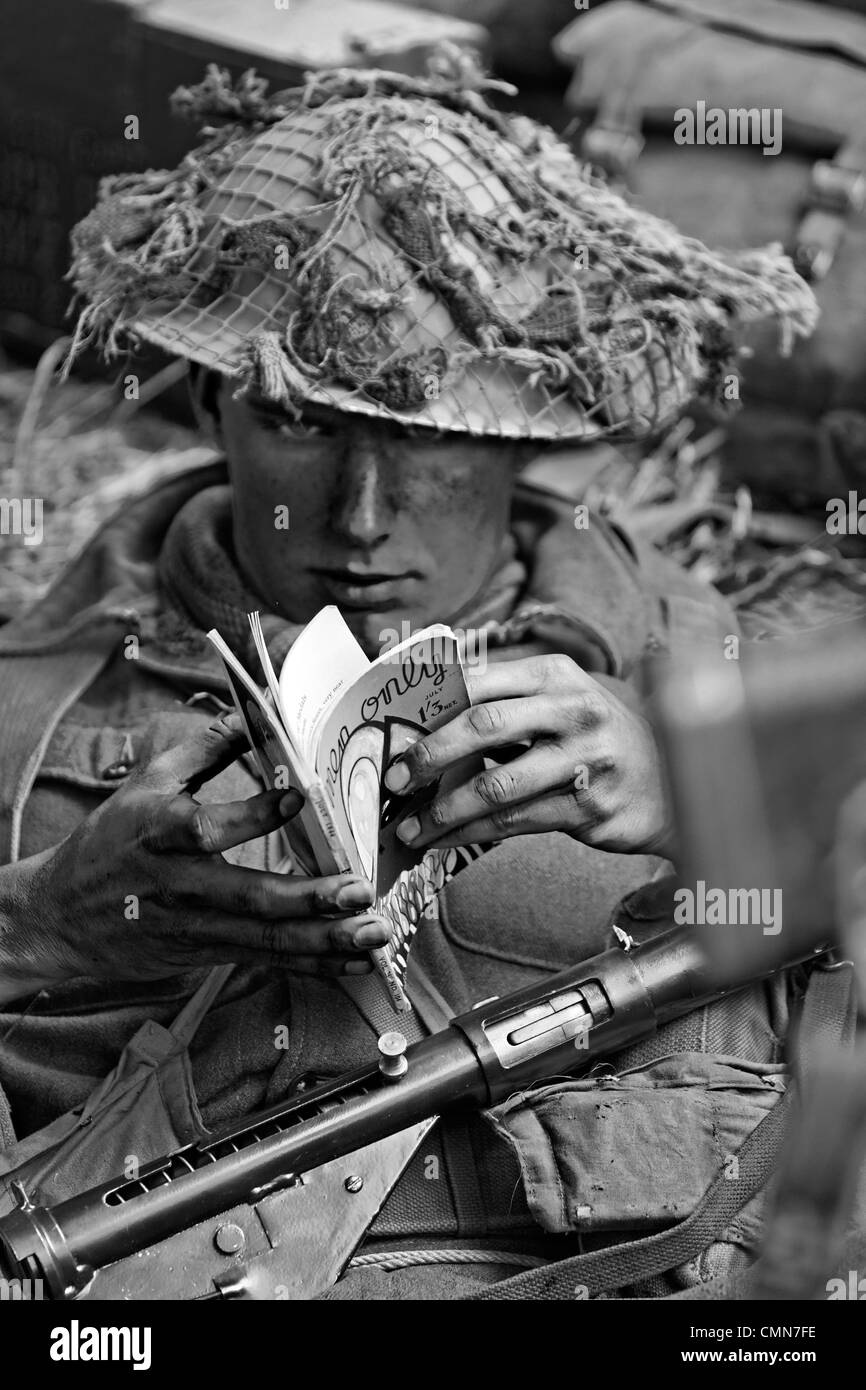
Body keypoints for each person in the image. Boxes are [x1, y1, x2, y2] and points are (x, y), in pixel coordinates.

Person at [0, 52, 816, 1298]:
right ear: (215, 399)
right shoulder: (28, 697)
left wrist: (712, 808)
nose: (364, 515)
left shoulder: (733, 688)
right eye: (306, 425)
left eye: (431, 436)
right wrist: (44, 920)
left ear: (524, 427)